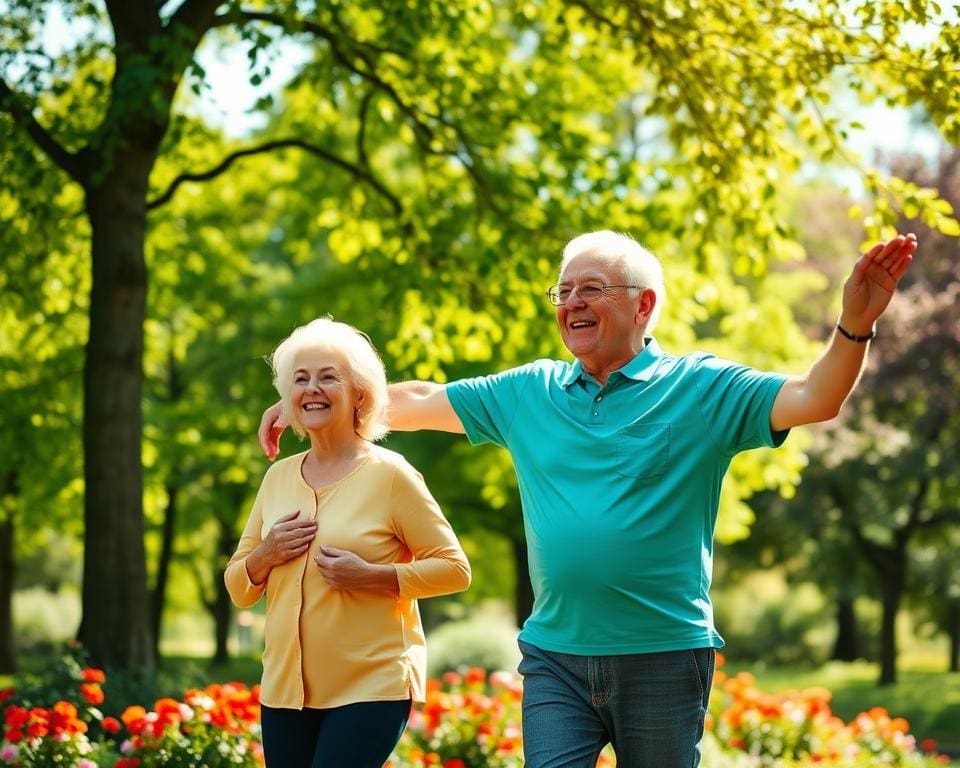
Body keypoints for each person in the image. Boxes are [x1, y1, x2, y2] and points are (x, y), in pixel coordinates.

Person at [258, 230, 916, 768]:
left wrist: (853, 326)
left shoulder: (703, 389)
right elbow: (420, 400)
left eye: (591, 289)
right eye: (564, 290)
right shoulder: (531, 391)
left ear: (643, 305)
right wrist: (311, 402)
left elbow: (815, 397)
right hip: (556, 658)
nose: (571, 302)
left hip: (661, 652)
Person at [227, 317, 471, 768]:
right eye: (300, 380)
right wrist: (267, 554)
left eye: (328, 377)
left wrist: (373, 577)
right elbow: (240, 587)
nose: (312, 389)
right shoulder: (278, 476)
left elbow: (455, 569)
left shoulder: (391, 474)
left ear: (359, 393)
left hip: (370, 685)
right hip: (284, 690)